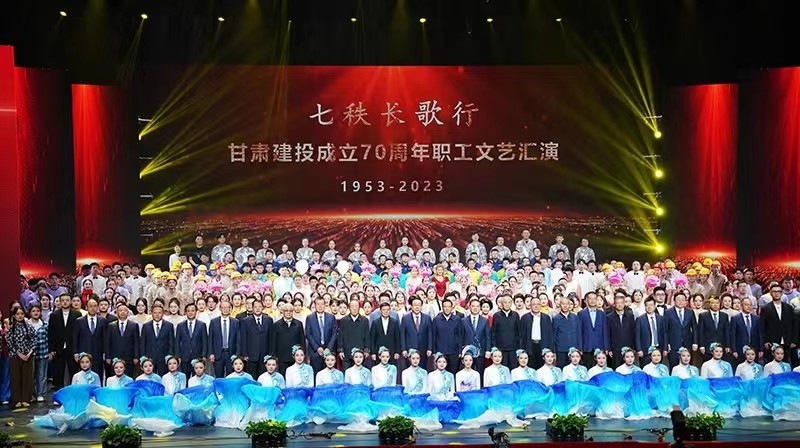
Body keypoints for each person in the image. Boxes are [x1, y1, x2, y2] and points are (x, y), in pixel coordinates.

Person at [48, 293, 82, 394]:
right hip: (58, 348)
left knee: (73, 371)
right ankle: (59, 394)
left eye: (67, 300)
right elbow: (51, 333)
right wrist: (51, 349)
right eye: (63, 300)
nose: (65, 302)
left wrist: (78, 349)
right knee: (59, 372)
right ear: (59, 302)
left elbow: (79, 333)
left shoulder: (77, 315)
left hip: (72, 348)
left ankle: (74, 393)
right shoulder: (54, 315)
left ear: (70, 301)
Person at [7, 306, 35, 408]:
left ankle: (25, 399)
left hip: (28, 356)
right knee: (16, 378)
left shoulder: (29, 327)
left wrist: (29, 353)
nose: (20, 316)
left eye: (22, 314)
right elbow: (10, 343)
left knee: (27, 378)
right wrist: (19, 354)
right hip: (15, 356)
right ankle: (17, 400)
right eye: (18, 314)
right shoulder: (11, 329)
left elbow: (34, 341)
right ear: (14, 316)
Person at [759, 283, 795, 362]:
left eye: (779, 291)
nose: (777, 293)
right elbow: (762, 327)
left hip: (787, 342)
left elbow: (793, 325)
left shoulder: (788, 308)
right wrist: (765, 341)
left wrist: (793, 340)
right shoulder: (766, 309)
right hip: (771, 343)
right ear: (770, 293)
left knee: (786, 364)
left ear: (782, 293)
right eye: (774, 291)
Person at [105, 303, 140, 378]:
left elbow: (136, 342)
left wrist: (136, 356)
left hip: (129, 357)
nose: (123, 312)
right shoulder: (111, 326)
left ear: (128, 312)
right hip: (115, 357)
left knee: (129, 377)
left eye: (125, 310)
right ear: (117, 312)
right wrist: (107, 356)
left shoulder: (134, 325)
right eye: (120, 310)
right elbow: (107, 342)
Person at [664, 292, 697, 368]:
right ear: (674, 300)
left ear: (686, 301)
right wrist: (667, 344)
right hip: (673, 344)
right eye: (678, 299)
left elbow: (694, 328)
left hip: (687, 343)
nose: (681, 301)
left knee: (688, 366)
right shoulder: (668, 312)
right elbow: (665, 330)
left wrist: (695, 342)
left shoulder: (690, 312)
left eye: (683, 300)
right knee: (674, 366)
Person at [270, 303, 305, 376]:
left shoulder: (299, 324)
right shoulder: (276, 325)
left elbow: (302, 341)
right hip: (281, 358)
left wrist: (302, 354)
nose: (288, 312)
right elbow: (273, 342)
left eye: (290, 311)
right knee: (283, 377)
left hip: (295, 357)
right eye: (286, 310)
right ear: (282, 311)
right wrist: (274, 356)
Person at [140, 304, 174, 376]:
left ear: (163, 313)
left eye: (159, 313)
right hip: (149, 358)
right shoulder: (146, 326)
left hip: (164, 358)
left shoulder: (169, 325)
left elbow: (171, 342)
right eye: (155, 313)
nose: (157, 315)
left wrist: (170, 355)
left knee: (163, 377)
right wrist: (143, 356)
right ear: (151, 313)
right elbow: (142, 343)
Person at [400, 297, 433, 373]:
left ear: (422, 306)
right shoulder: (405, 318)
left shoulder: (427, 318)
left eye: (419, 305)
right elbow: (402, 334)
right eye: (415, 305)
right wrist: (403, 349)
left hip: (423, 349)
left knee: (423, 370)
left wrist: (430, 348)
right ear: (411, 306)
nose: (417, 307)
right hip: (410, 349)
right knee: (410, 371)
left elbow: (430, 334)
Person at [240, 300, 271, 378]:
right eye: (255, 307)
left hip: (265, 355)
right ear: (252, 308)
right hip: (251, 355)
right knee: (252, 377)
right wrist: (244, 354)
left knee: (263, 377)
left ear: (263, 308)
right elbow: (243, 339)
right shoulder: (245, 321)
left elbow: (271, 338)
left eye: (259, 307)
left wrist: (270, 353)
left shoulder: (268, 320)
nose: (257, 309)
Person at [431, 297, 462, 376]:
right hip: (441, 351)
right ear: (442, 308)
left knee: (453, 373)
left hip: (454, 351)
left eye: (449, 306)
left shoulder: (457, 319)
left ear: (452, 307)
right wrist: (434, 351)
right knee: (440, 374)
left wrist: (460, 351)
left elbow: (460, 336)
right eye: (445, 306)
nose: (447, 308)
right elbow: (433, 336)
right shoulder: (436, 320)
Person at [520, 296, 553, 370]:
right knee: (530, 368)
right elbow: (521, 335)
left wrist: (550, 349)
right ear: (530, 305)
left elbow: (550, 335)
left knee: (542, 368)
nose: (536, 306)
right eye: (533, 304)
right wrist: (522, 349)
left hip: (542, 346)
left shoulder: (546, 318)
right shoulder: (524, 318)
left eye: (538, 304)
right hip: (530, 346)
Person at [306, 297, 337, 374]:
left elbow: (334, 333)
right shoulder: (310, 318)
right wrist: (317, 348)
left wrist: (329, 348)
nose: (320, 306)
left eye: (322, 304)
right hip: (315, 351)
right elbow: (308, 334)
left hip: (329, 351)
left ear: (325, 305)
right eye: (318, 304)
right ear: (315, 305)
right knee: (316, 374)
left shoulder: (331, 317)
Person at [577, 292, 609, 367]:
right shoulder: (581, 313)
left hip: (599, 346)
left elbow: (605, 331)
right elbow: (579, 331)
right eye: (590, 299)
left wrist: (606, 347)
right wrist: (580, 347)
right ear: (586, 300)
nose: (592, 301)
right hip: (586, 347)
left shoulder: (602, 314)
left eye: (594, 299)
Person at [176, 303, 208, 378]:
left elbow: (204, 341)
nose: (190, 313)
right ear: (185, 312)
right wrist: (178, 356)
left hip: (197, 357)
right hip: (184, 357)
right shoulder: (180, 326)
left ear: (196, 312)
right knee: (184, 377)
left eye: (192, 311)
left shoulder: (202, 325)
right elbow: (177, 342)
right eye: (188, 311)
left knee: (197, 378)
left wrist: (203, 355)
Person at [338, 299, 370, 370]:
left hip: (360, 354)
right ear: (349, 308)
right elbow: (340, 337)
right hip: (347, 353)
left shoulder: (364, 320)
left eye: (356, 306)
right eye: (352, 306)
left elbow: (367, 336)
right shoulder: (343, 320)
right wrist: (340, 350)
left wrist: (367, 349)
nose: (354, 308)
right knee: (347, 373)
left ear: (359, 308)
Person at [492, 294, 522, 369]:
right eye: (505, 302)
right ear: (501, 304)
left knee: (513, 369)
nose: (507, 304)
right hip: (501, 348)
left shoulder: (515, 315)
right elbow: (493, 332)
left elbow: (519, 332)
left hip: (513, 348)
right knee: (502, 369)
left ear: (511, 303)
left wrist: (519, 347)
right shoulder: (496, 316)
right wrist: (495, 347)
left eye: (509, 302)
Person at [607, 293, 636, 369]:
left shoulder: (630, 316)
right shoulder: (609, 317)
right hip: (615, 349)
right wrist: (609, 348)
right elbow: (607, 334)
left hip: (628, 348)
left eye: (621, 303)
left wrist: (634, 347)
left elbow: (633, 332)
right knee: (616, 369)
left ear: (624, 304)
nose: (619, 305)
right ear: (614, 304)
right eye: (617, 303)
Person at [635, 297, 667, 365]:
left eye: (651, 305)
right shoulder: (640, 319)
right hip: (645, 351)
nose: (649, 307)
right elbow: (637, 336)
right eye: (647, 305)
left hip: (659, 349)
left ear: (655, 306)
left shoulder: (661, 318)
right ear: (645, 306)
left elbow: (664, 334)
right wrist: (639, 349)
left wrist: (665, 348)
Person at [730, 298, 761, 367]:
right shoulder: (735, 318)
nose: (748, 307)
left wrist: (761, 349)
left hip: (754, 350)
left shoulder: (756, 318)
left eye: (750, 305)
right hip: (740, 350)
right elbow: (732, 335)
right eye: (746, 305)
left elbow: (760, 335)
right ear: (741, 306)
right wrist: (734, 350)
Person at [27, 305, 49, 402]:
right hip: (29, 354)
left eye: (37, 311)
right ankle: (32, 394)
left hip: (42, 352)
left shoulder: (44, 324)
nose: (35, 313)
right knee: (31, 375)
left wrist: (49, 352)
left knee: (41, 374)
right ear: (30, 313)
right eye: (33, 311)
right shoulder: (26, 324)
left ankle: (40, 394)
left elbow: (48, 339)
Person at [370, 302, 401, 368]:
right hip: (378, 352)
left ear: (390, 311)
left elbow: (397, 338)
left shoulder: (394, 322)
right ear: (380, 311)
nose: (386, 311)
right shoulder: (375, 322)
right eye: (383, 310)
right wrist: (373, 353)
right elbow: (372, 339)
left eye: (387, 310)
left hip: (392, 352)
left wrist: (397, 352)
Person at [553, 297, 581, 367]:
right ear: (560, 305)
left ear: (570, 305)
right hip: (560, 350)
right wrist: (554, 351)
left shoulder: (575, 317)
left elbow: (578, 333)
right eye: (563, 304)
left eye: (567, 304)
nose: (565, 306)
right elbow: (553, 336)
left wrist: (579, 348)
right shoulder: (556, 318)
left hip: (574, 349)